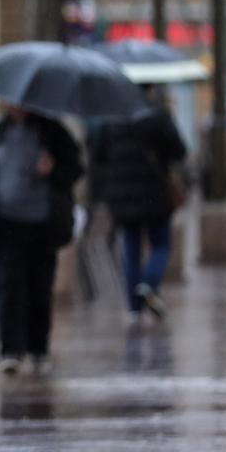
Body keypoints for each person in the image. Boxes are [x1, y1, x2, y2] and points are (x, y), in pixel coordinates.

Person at [0, 103, 83, 375]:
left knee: (40, 287)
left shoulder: (53, 133)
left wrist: (53, 169)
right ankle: (10, 349)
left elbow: (75, 170)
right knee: (8, 285)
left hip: (42, 223)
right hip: (6, 223)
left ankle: (38, 348)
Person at [89, 90, 188, 325]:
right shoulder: (158, 118)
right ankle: (149, 283)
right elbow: (179, 151)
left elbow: (97, 156)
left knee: (130, 248)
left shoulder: (111, 121)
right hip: (155, 193)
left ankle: (134, 307)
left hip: (122, 197)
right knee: (161, 244)